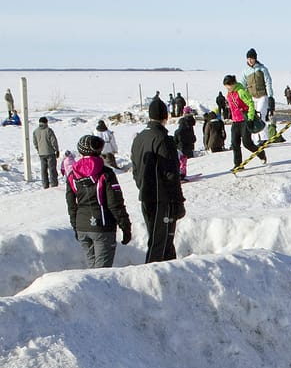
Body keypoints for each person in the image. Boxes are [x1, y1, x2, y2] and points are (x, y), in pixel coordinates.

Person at [130, 97, 185, 262]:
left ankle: (171, 275)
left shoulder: (139, 138)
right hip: (162, 198)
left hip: (146, 196)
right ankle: (151, 279)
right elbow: (171, 173)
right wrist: (178, 200)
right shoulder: (163, 139)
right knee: (159, 243)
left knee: (164, 242)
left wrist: (143, 186)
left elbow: (135, 169)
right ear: (165, 116)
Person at [65, 134, 131, 268]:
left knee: (92, 271)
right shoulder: (105, 173)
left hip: (82, 225)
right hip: (103, 225)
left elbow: (71, 204)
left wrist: (75, 225)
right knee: (101, 273)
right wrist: (125, 226)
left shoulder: (72, 175)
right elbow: (115, 203)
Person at [222, 74, 265, 169]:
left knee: (247, 143)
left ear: (233, 84)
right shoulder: (229, 94)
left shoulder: (241, 91)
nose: (227, 88)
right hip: (235, 121)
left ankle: (261, 153)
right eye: (226, 87)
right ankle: (238, 165)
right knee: (234, 143)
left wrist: (250, 118)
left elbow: (250, 103)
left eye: (228, 86)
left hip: (244, 120)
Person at [243, 49, 274, 140]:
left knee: (261, 115)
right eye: (248, 58)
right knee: (253, 117)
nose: (250, 60)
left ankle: (264, 138)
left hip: (262, 95)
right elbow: (242, 85)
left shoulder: (262, 69)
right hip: (251, 97)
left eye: (252, 58)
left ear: (255, 59)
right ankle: (257, 139)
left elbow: (268, 82)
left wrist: (270, 96)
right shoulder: (245, 71)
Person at [33, 117, 60, 189]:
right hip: (50, 153)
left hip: (41, 153)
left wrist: (38, 150)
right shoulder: (49, 130)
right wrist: (56, 150)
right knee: (52, 169)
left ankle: (45, 185)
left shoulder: (35, 131)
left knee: (43, 170)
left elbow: (35, 143)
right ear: (46, 122)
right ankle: (54, 184)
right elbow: (53, 141)